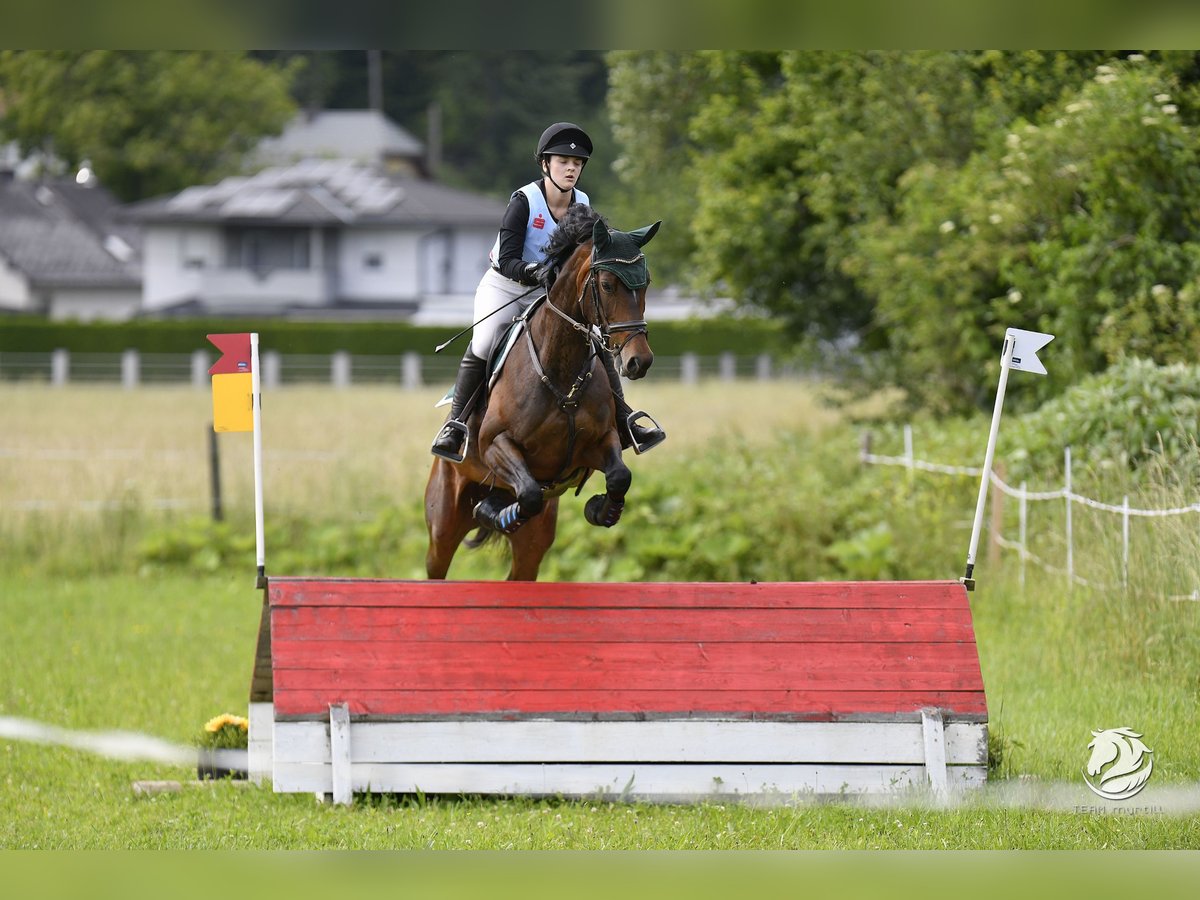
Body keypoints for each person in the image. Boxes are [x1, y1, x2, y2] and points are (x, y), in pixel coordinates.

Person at [431, 121, 666, 463]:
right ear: (545, 165)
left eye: (577, 164)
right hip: (506, 285)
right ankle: (456, 426)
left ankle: (625, 418)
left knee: (594, 341)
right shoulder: (523, 202)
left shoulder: (581, 203)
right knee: (484, 341)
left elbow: (593, 252)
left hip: (551, 292)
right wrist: (535, 271)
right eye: (562, 162)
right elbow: (509, 259)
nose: (571, 168)